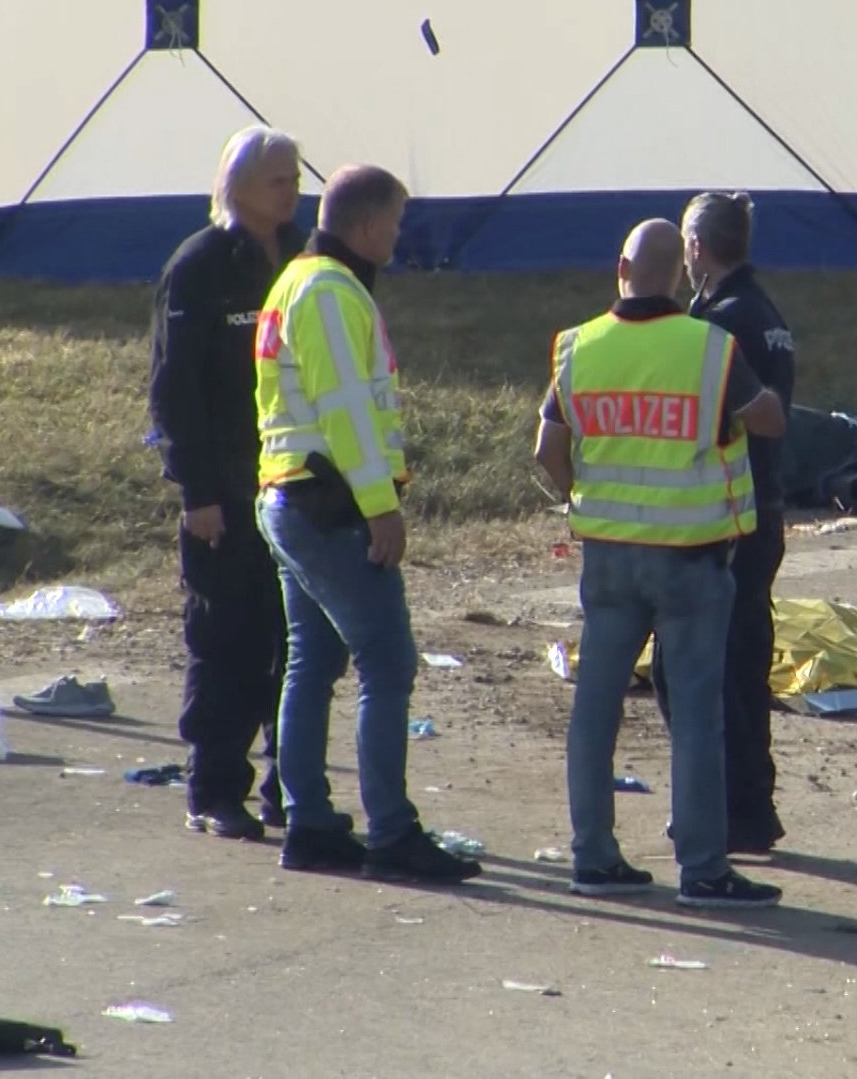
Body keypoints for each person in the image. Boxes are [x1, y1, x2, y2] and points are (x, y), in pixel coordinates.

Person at [534, 218, 787, 908]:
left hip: (610, 559)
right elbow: (769, 417)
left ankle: (594, 856)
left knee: (595, 710)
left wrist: (580, 493)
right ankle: (703, 867)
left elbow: (546, 447)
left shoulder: (578, 348)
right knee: (697, 715)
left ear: (620, 266)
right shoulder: (711, 348)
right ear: (681, 272)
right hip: (691, 560)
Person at [253, 164, 480, 884]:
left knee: (312, 662)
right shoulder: (324, 289)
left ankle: (311, 821)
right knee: (388, 662)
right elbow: (347, 405)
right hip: (330, 503)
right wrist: (381, 506)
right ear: (364, 225)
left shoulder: (306, 279)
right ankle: (390, 832)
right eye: (395, 222)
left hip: (297, 495)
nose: (399, 235)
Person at [146, 125, 305, 839]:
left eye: (296, 177)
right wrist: (198, 491)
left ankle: (290, 784)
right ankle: (213, 788)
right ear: (238, 186)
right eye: (278, 179)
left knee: (294, 639)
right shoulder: (200, 265)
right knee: (227, 639)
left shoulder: (299, 260)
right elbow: (174, 388)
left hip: (291, 485)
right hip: (225, 492)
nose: (292, 190)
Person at [653, 191, 797, 854]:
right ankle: (752, 805)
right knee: (745, 660)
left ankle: (733, 807)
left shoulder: (723, 322)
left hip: (730, 514)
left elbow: (715, 417)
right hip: (763, 506)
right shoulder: (763, 311)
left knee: (709, 669)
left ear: (695, 247)